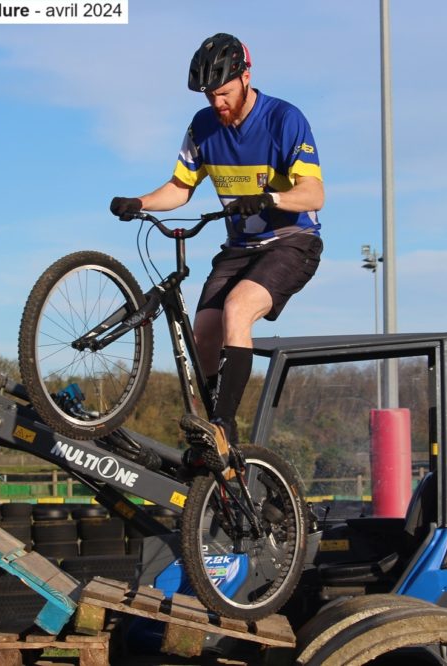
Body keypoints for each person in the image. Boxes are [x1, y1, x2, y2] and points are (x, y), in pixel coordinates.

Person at [110, 32, 324, 471]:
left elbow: (314, 193)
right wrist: (140, 202)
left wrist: (270, 199)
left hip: (292, 242)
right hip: (240, 248)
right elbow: (180, 188)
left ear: (247, 77)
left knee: (237, 309)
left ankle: (224, 422)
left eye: (223, 93)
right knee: (203, 332)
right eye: (210, 95)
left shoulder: (284, 118)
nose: (217, 103)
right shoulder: (202, 126)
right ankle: (216, 436)